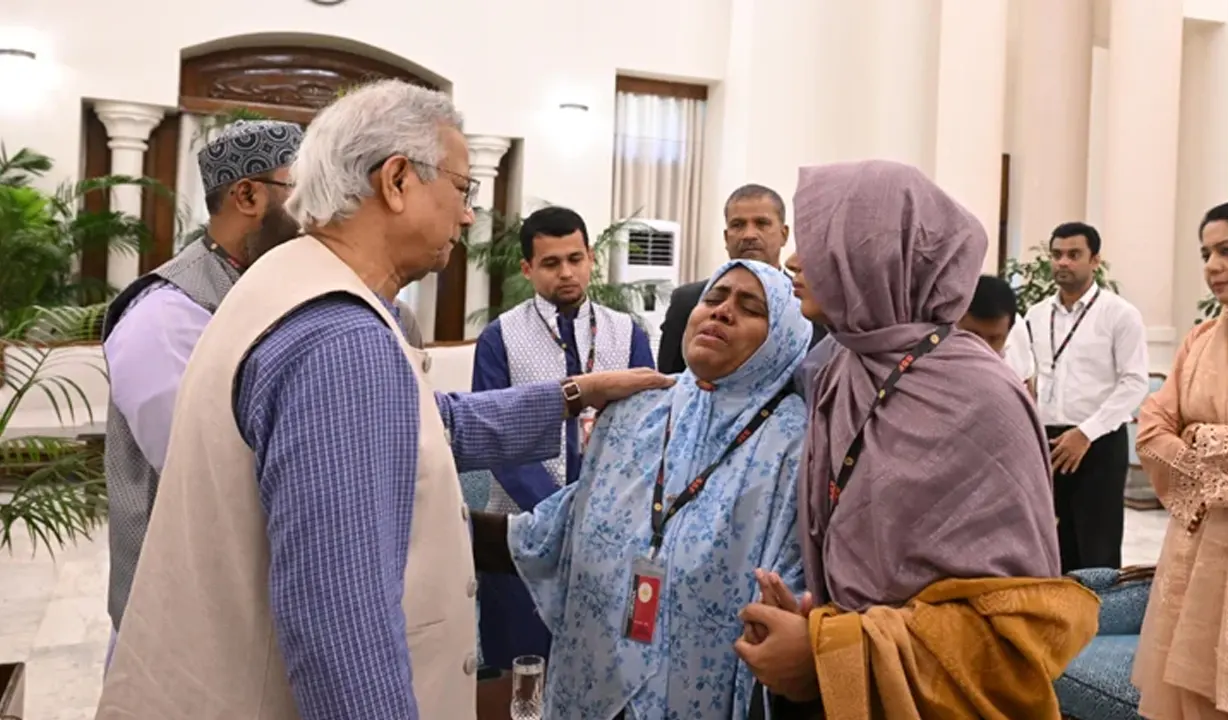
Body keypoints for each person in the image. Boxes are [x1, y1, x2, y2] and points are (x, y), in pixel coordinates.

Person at [95, 80, 671, 720]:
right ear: (397, 181)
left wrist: (574, 393)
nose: (468, 217)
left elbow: (427, 420)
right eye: (462, 189)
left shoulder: (288, 281)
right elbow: (343, 632)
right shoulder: (341, 338)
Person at [735, 161, 1098, 718]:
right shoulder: (842, 367)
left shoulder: (979, 394)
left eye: (820, 242)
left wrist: (829, 651)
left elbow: (1015, 626)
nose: (794, 260)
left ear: (878, 257)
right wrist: (816, 623)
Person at [473, 259, 812, 719]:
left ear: (783, 339)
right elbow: (561, 528)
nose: (722, 311)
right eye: (714, 298)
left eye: (751, 307)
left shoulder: (796, 443)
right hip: (594, 680)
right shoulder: (635, 411)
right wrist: (438, 521)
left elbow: (793, 589)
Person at [100, 119, 305, 665]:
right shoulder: (165, 316)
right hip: (172, 627)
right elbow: (207, 473)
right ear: (248, 195)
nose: (318, 211)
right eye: (302, 191)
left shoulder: (268, 290)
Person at [472, 204, 655, 669]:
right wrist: (558, 512)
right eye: (551, 263)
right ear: (527, 269)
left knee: (599, 667)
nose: (567, 273)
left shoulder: (627, 333)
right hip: (521, 528)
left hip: (608, 532)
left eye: (575, 259)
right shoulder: (500, 338)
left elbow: (647, 430)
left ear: (591, 257)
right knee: (522, 669)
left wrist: (599, 510)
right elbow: (496, 439)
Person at [1133, 198, 1228, 720]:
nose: (1213, 266)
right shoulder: (1199, 340)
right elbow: (1152, 428)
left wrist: (1198, 437)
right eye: (1206, 254)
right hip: (1200, 547)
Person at [1025, 222, 1149, 572]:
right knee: (1050, 544)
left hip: (1097, 440)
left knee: (1097, 546)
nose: (1063, 262)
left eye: (1074, 254)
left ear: (1095, 260)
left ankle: (1098, 608)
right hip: (1047, 440)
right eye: (1057, 255)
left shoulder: (1119, 314)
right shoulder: (1036, 315)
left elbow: (1134, 382)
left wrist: (1086, 432)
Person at [657, 184, 826, 374]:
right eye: (738, 225)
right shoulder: (688, 301)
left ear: (784, 234)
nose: (749, 235)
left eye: (762, 223)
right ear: (726, 237)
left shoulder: (810, 303)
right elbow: (669, 379)